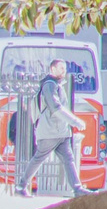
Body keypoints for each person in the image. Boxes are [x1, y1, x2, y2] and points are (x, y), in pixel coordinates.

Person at [21, 59, 83, 198]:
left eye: (65, 68)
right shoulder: (49, 85)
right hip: (50, 131)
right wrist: (75, 121)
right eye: (60, 68)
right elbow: (56, 108)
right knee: (39, 159)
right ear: (52, 69)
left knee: (68, 159)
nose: (63, 70)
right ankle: (21, 185)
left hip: (59, 131)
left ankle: (77, 188)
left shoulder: (56, 85)